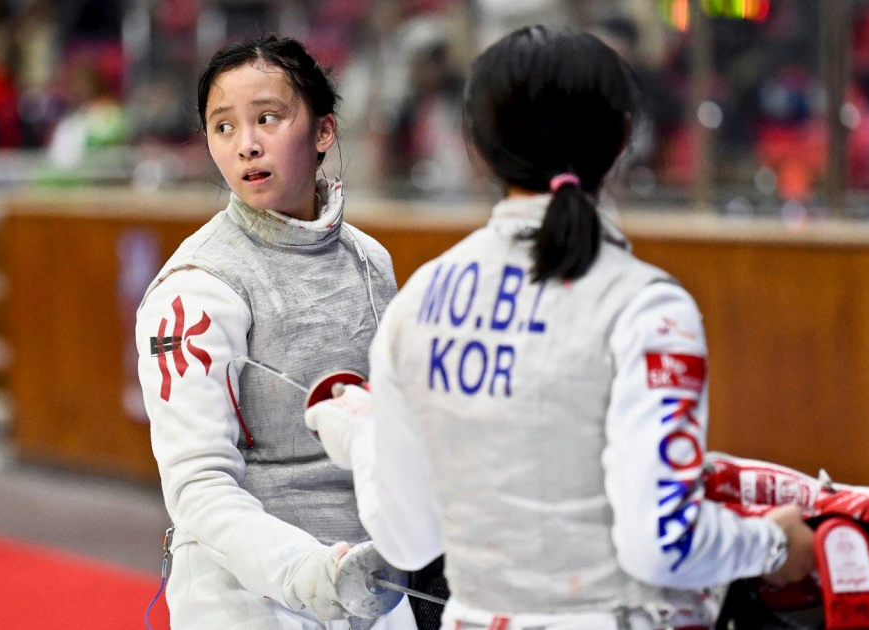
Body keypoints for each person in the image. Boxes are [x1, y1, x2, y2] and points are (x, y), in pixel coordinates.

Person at [306, 26, 817, 629]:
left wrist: (361, 438)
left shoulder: (420, 300)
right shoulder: (646, 307)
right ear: (624, 136)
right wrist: (776, 545)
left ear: (476, 143)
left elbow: (408, 542)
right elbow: (662, 542)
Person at [135, 35, 416, 629]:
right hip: (247, 598)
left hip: (371, 585)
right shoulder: (196, 287)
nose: (248, 145)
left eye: (267, 118)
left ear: (323, 132)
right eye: (224, 128)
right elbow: (198, 485)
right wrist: (307, 572)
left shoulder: (371, 263)